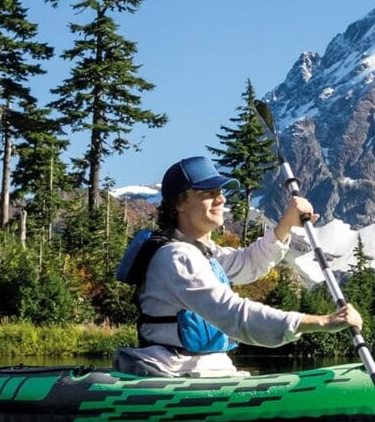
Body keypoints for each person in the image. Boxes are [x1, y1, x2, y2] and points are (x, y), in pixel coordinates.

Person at [113, 155, 362, 377]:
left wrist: (285, 226)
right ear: (179, 203)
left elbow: (249, 263)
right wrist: (320, 322)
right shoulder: (177, 257)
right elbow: (234, 314)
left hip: (204, 369)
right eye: (207, 192)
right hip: (173, 368)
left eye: (220, 191)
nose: (220, 198)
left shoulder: (203, 254)